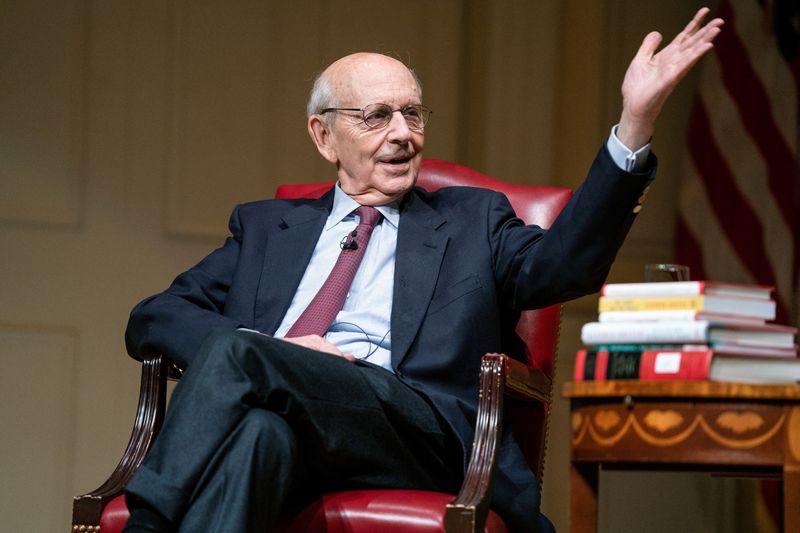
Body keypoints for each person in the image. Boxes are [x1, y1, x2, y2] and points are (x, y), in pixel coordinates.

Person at [121, 8, 723, 533]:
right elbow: (154, 315)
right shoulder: (266, 229)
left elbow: (564, 268)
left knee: (238, 352)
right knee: (258, 436)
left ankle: (146, 522)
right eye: (377, 115)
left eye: (412, 113)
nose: (403, 134)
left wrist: (634, 123)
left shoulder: (472, 221)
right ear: (324, 136)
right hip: (302, 425)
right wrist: (278, 354)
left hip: (419, 432)